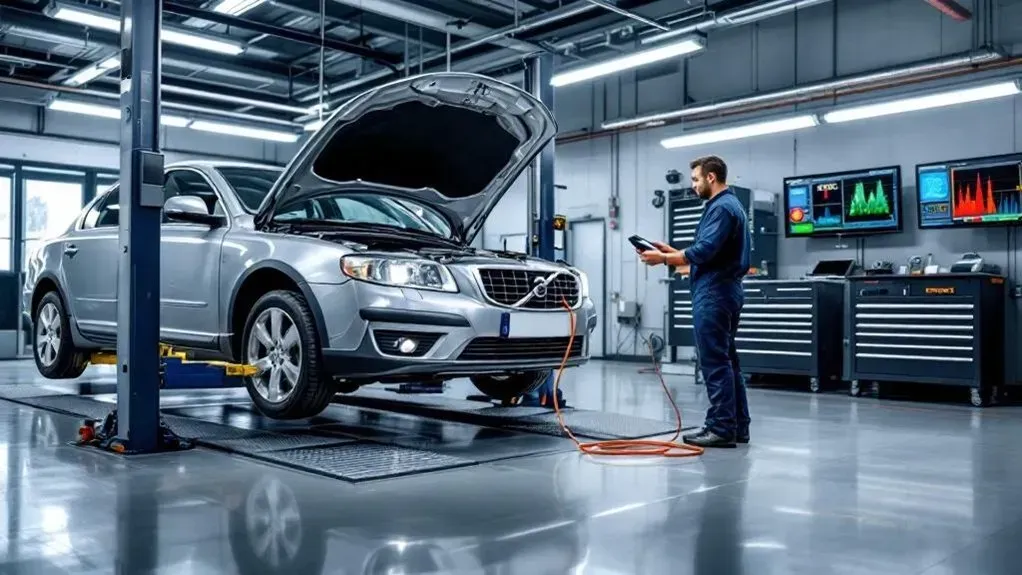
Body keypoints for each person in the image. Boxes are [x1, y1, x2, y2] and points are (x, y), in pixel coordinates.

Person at [638, 155, 751, 448]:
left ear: (711, 177)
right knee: (728, 361)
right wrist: (671, 252)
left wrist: (663, 258)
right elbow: (711, 254)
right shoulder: (727, 206)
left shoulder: (722, 207)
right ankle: (738, 426)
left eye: (696, 180)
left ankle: (721, 428)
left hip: (715, 293)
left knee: (714, 361)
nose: (693, 185)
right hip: (723, 289)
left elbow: (704, 251)